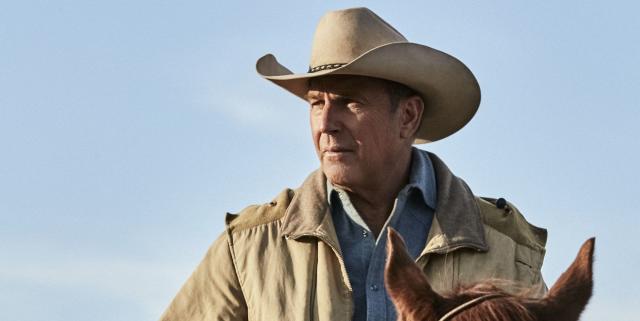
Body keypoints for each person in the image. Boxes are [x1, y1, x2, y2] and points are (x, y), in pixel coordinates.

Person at [159, 7, 547, 321]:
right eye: (316, 104)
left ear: (408, 117)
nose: (326, 124)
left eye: (349, 102)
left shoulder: (504, 248)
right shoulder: (249, 248)